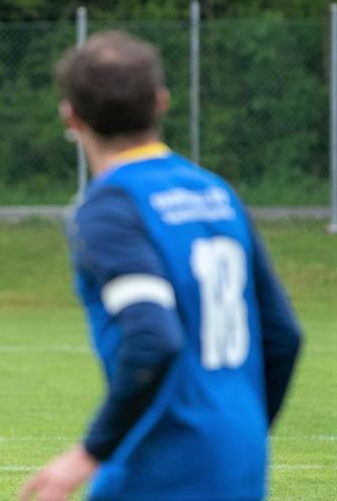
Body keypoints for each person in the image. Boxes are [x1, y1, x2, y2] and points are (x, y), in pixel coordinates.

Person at [20, 31, 303, 501]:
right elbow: (283, 335)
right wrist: (241, 434)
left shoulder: (110, 206)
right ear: (161, 102)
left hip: (162, 467)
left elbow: (153, 336)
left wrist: (87, 454)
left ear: (70, 116)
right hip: (240, 461)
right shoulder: (216, 193)